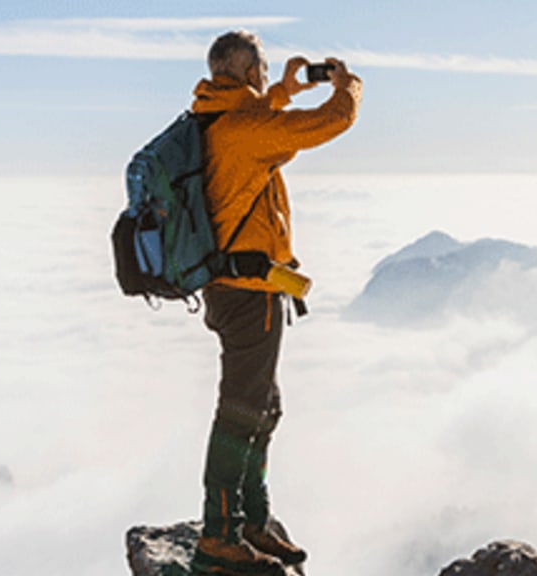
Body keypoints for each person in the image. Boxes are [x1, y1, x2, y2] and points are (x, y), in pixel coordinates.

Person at [189, 30, 362, 576]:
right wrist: (346, 86)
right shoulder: (243, 130)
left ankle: (253, 521)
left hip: (232, 290)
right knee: (242, 411)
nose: (265, 83)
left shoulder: (215, 117)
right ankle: (220, 532)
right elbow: (329, 123)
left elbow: (258, 118)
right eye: (262, 74)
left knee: (264, 408)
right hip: (250, 295)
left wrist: (284, 90)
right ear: (247, 73)